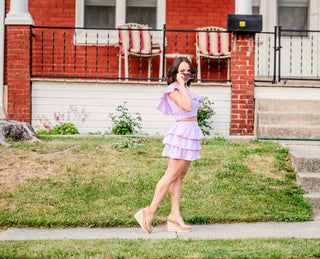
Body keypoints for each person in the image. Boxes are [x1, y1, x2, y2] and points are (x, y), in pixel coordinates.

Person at [134, 57, 204, 233]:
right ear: (175, 72)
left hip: (191, 132)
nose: (186, 74)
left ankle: (174, 216)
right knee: (171, 174)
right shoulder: (174, 89)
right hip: (181, 133)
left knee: (179, 176)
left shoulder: (185, 89)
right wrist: (180, 83)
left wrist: (184, 85)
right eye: (182, 70)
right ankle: (148, 212)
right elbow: (187, 107)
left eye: (188, 70)